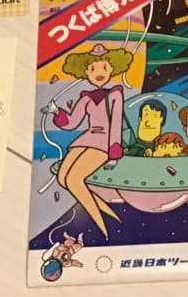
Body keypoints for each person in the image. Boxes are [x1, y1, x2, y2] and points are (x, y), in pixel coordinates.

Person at [43, 43, 133, 239]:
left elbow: (116, 123)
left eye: (104, 67)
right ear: (86, 72)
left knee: (74, 180)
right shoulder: (86, 98)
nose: (98, 73)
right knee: (62, 178)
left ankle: (103, 228)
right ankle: (109, 214)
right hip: (86, 139)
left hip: (104, 142)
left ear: (112, 69)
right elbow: (72, 123)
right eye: (92, 69)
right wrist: (56, 111)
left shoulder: (115, 95)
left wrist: (114, 151)